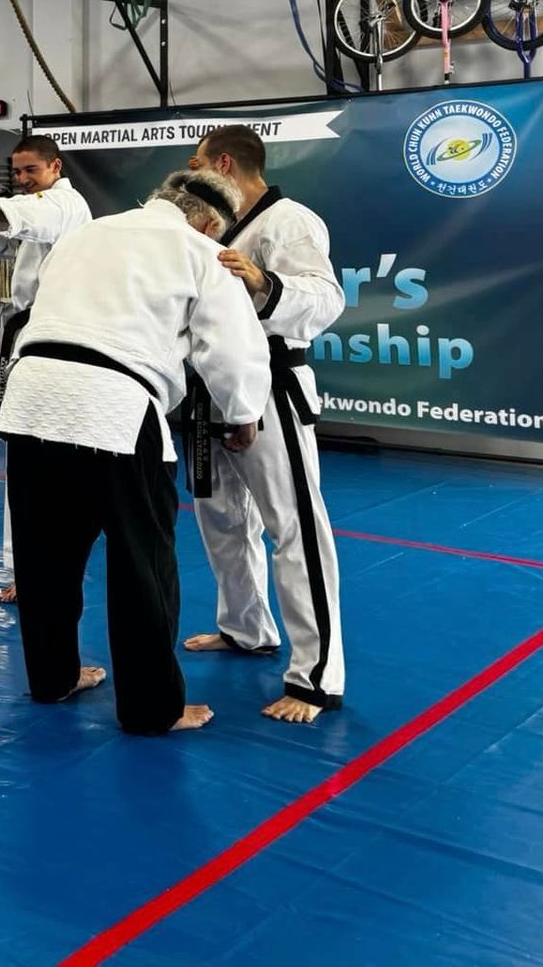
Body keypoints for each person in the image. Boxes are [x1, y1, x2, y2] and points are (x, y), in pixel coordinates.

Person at [0, 169, 270, 736]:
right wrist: (243, 413)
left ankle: (53, 677)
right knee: (141, 560)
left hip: (30, 395)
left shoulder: (87, 233)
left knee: (44, 553)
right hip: (114, 402)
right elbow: (231, 347)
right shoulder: (200, 250)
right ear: (208, 223)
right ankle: (153, 708)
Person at [183, 126, 348, 724]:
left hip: (274, 384)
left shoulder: (288, 220)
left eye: (198, 162)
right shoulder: (211, 223)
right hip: (211, 385)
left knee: (294, 525)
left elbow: (327, 300)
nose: (192, 171)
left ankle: (317, 675)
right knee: (222, 518)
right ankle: (246, 627)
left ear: (224, 163)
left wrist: (264, 281)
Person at [0, 135, 92, 602]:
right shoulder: (41, 206)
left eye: (31, 171)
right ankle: (29, 565)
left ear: (55, 167)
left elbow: (32, 217)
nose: (22, 180)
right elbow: (3, 241)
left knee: (45, 462)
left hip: (55, 345)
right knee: (25, 457)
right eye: (17, 172)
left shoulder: (65, 205)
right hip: (30, 341)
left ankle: (42, 567)